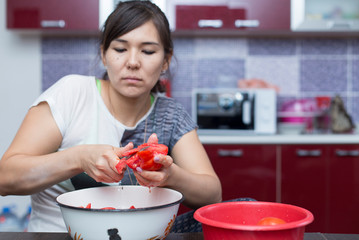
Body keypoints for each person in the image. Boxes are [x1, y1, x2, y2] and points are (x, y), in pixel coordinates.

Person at [0, 0, 222, 232]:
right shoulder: (71, 93)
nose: (133, 62)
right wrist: (78, 158)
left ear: (165, 60)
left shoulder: (171, 115)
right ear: (104, 55)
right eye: (120, 49)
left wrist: (171, 175)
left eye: (147, 51)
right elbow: (5, 179)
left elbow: (213, 194)